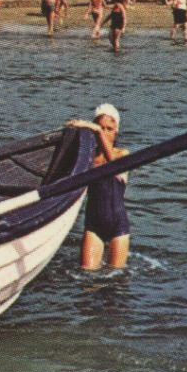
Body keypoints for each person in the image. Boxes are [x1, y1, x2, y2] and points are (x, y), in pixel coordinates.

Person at [70, 104, 130, 271]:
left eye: (108, 129)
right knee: (85, 276)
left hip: (118, 225)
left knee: (115, 280)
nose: (104, 132)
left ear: (116, 132)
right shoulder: (87, 160)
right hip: (93, 224)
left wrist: (95, 130)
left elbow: (113, 165)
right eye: (101, 128)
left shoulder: (122, 154)